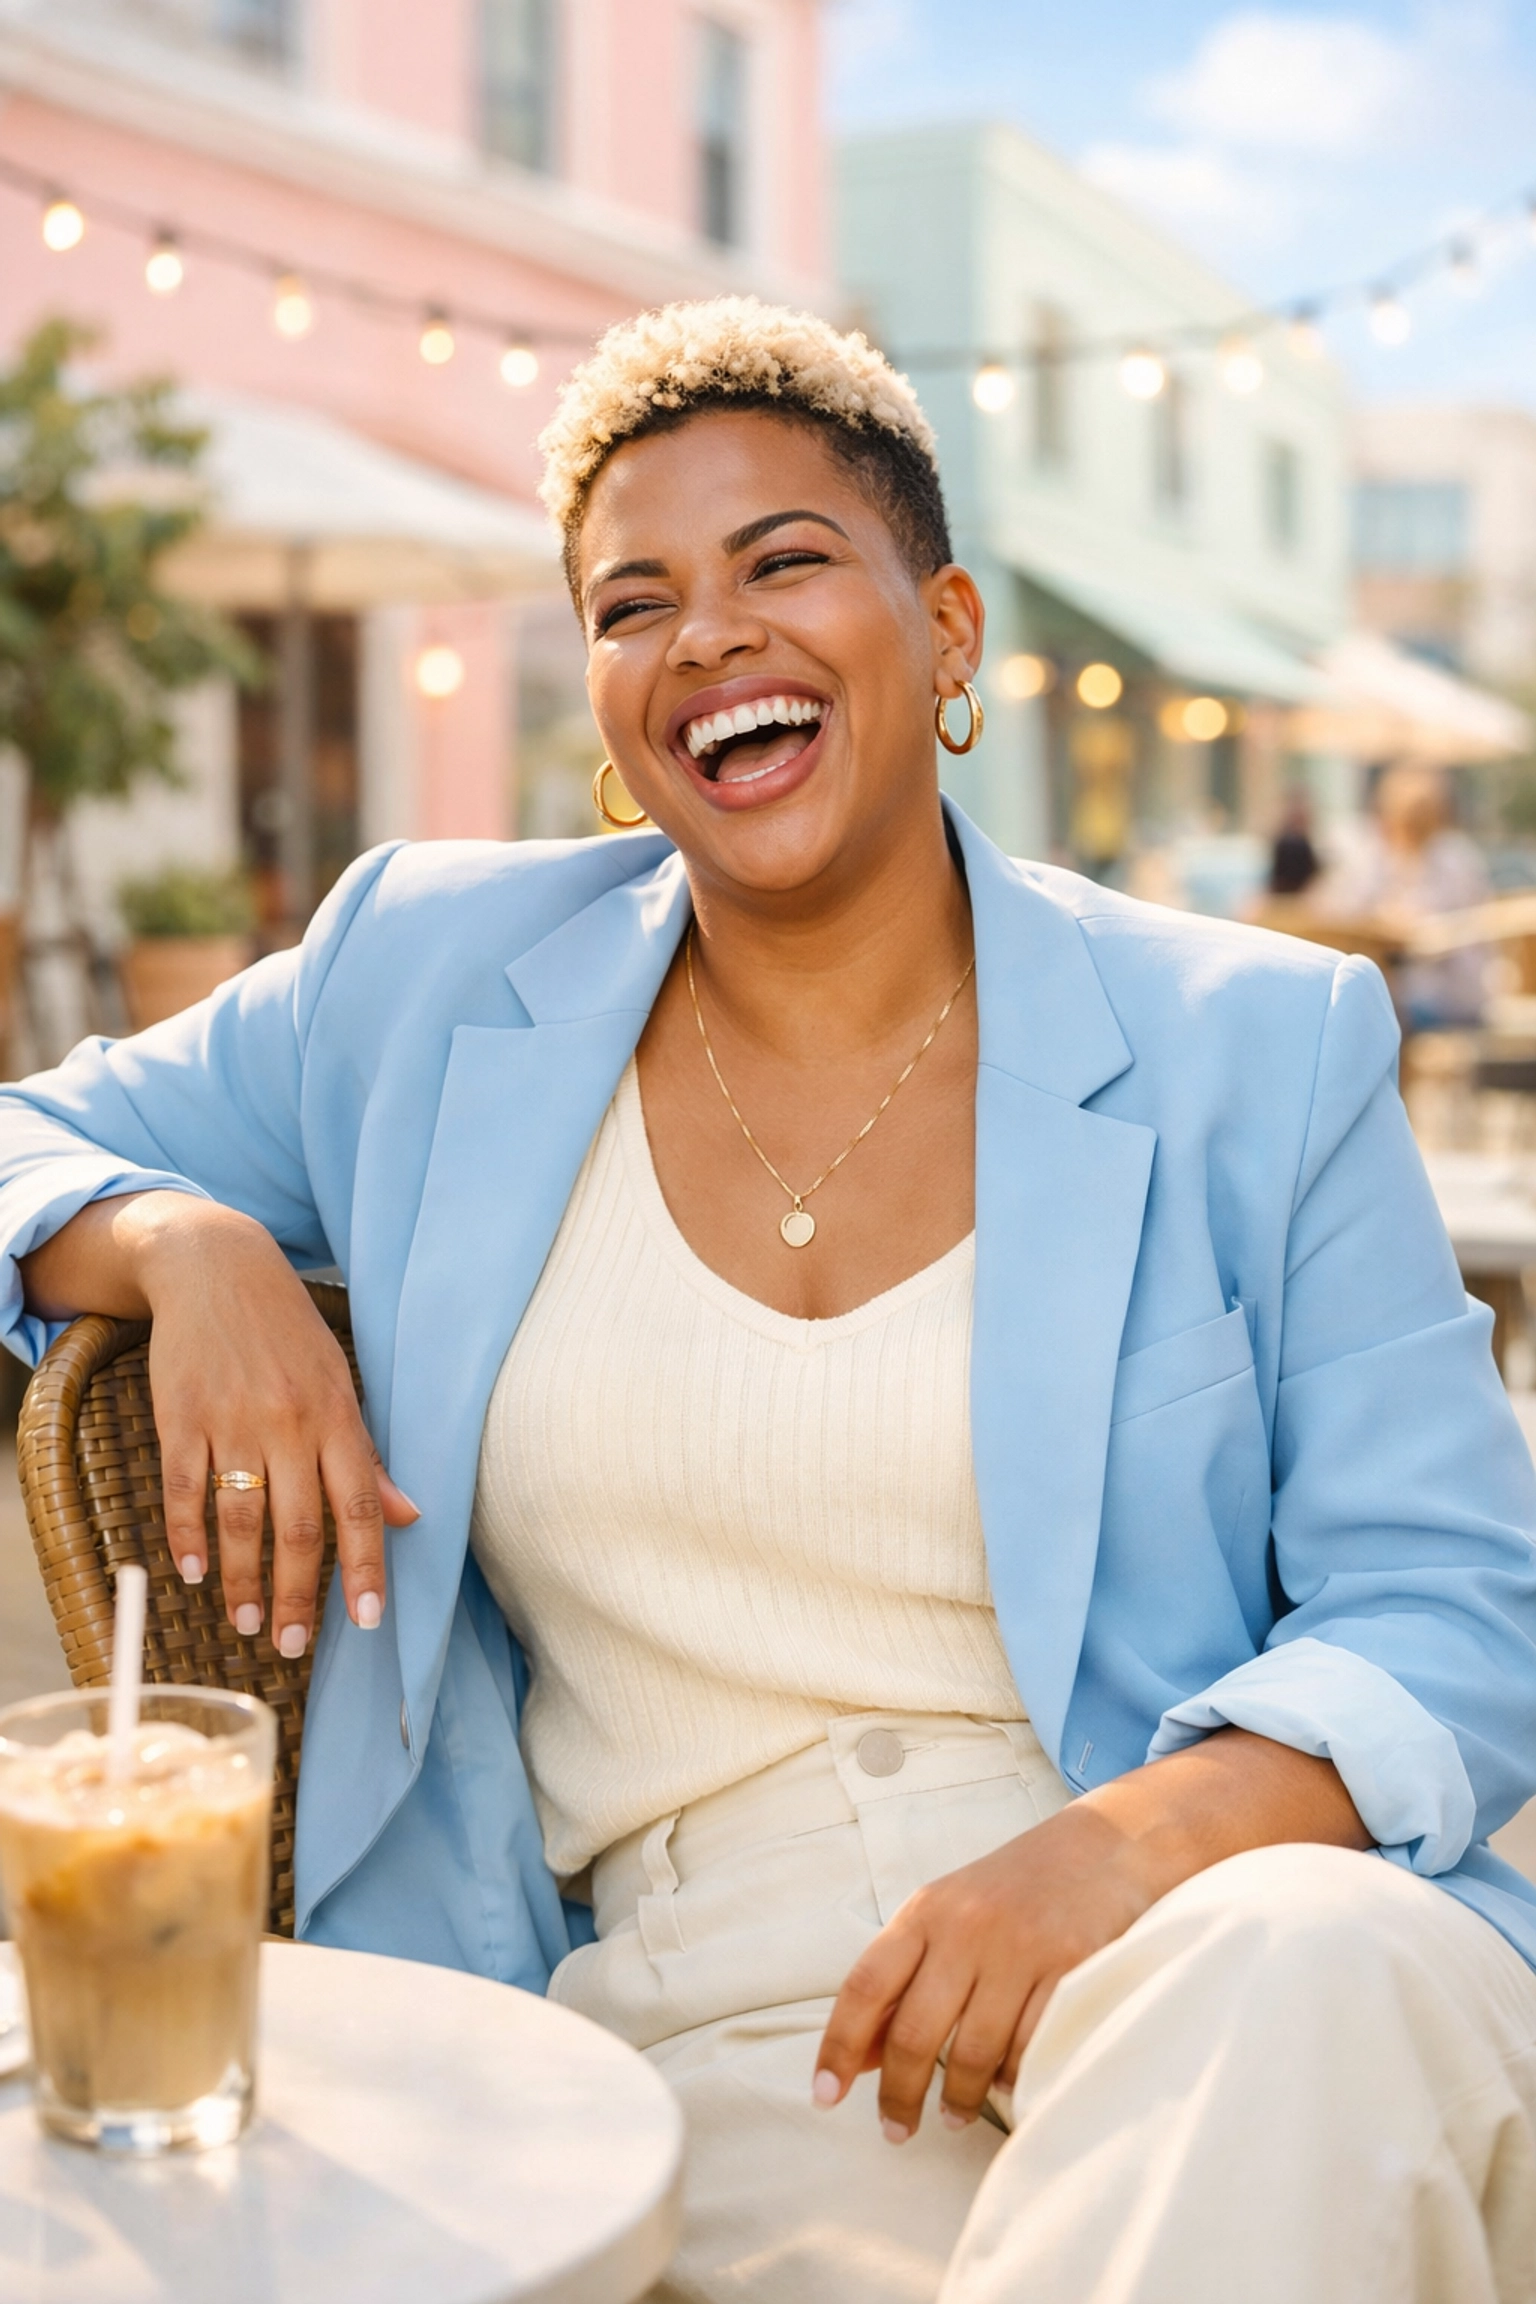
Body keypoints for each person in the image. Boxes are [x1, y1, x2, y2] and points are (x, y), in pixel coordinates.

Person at [2, 298, 1536, 2304]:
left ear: (949, 633)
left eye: (782, 562)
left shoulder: (1253, 1039)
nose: (708, 636)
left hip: (1200, 1939)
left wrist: (1125, 1848)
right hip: (728, 2044)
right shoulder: (420, 977)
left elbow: (1458, 1602)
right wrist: (174, 1240)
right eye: (632, 603)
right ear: (607, 700)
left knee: (1328, 1961)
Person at [1322, 760, 1491, 1029]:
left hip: (1443, 995)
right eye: (1410, 812)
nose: (1415, 821)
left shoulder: (1456, 861)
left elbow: (1469, 936)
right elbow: (1336, 914)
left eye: (1423, 811)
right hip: (1393, 989)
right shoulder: (1371, 859)